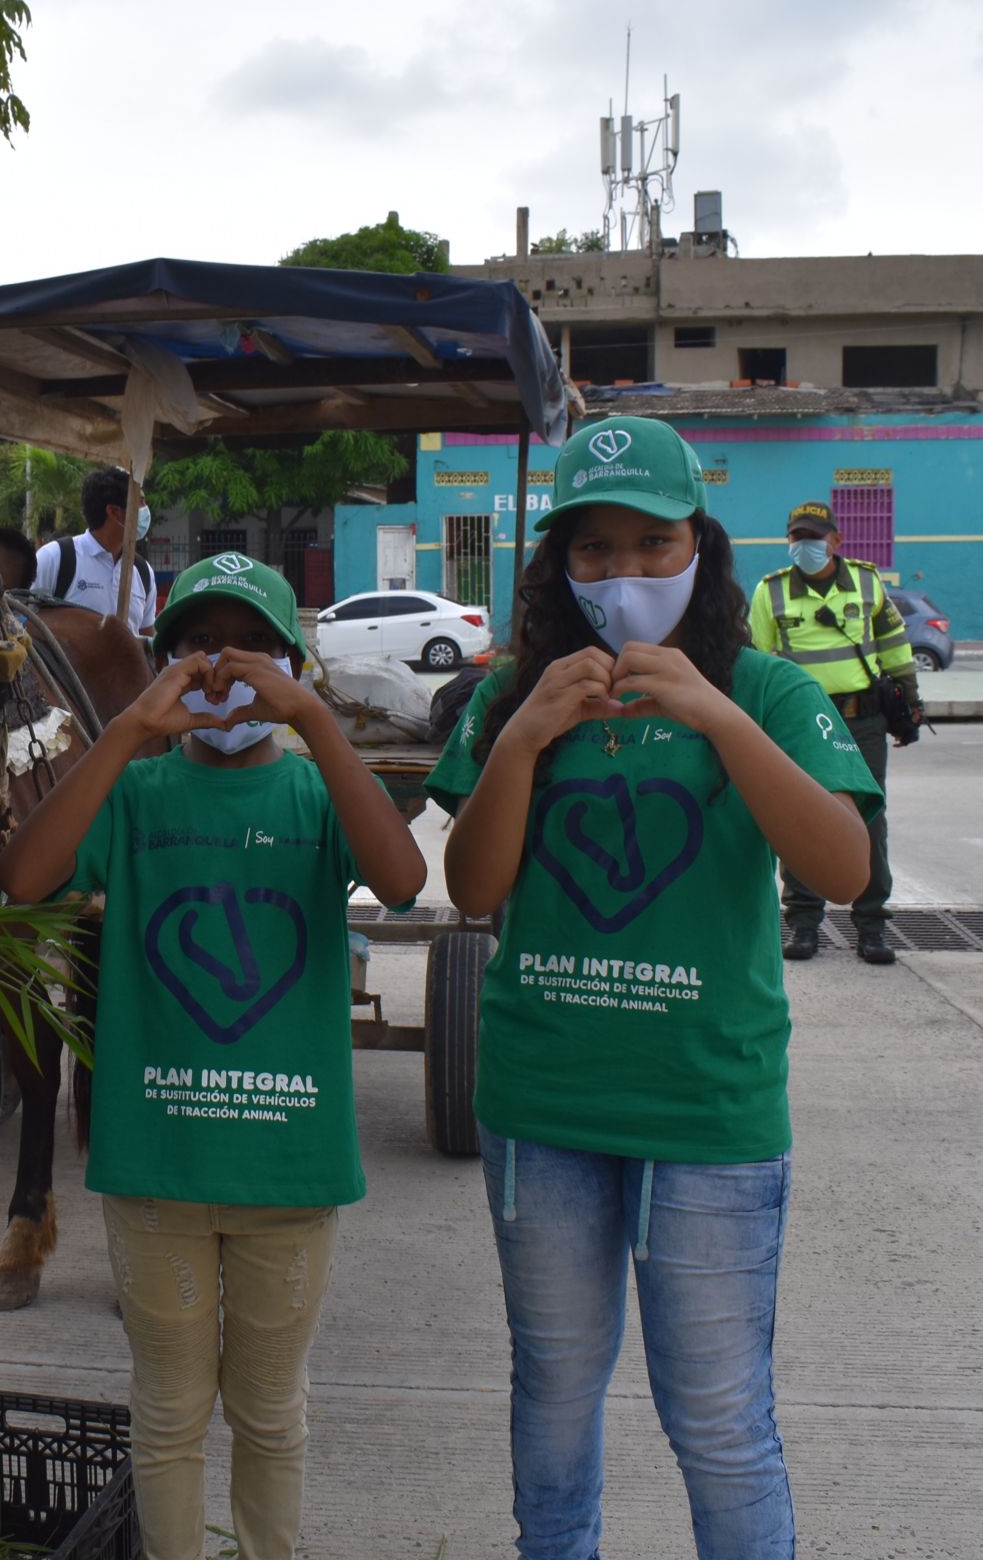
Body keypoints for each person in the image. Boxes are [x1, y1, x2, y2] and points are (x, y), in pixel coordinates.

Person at [426, 416, 878, 1560]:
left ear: (701, 548)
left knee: (721, 1419)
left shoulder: (765, 689)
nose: (624, 574)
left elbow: (841, 865)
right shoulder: (514, 697)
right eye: (594, 550)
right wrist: (523, 740)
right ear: (557, 565)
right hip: (544, 1109)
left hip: (708, 1116)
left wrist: (715, 713)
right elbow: (474, 889)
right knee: (555, 1393)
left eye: (652, 543)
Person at [0, 552, 425, 1560]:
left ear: (291, 664)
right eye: (195, 646)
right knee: (169, 1411)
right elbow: (23, 876)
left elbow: (403, 878)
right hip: (157, 1172)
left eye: (252, 647)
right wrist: (125, 732)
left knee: (273, 1412)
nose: (223, 669)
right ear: (162, 665)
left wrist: (317, 720)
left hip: (289, 1173)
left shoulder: (319, 798)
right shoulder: (137, 794)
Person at [748, 501, 922, 965]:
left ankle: (871, 925)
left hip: (863, 718)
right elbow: (758, 657)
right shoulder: (771, 592)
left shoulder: (868, 582)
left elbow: (893, 643)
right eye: (797, 537)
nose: (804, 545)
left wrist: (910, 700)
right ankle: (804, 924)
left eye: (813, 537)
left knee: (868, 818)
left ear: (836, 541)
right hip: (802, 723)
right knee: (801, 815)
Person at [32, 466, 156, 636]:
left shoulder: (143, 571)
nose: (146, 510)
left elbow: (147, 638)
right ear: (114, 512)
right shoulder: (55, 558)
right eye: (140, 502)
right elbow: (25, 624)